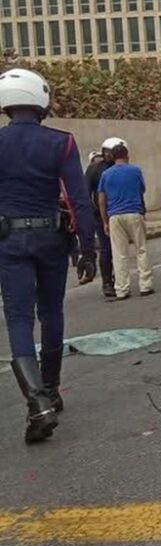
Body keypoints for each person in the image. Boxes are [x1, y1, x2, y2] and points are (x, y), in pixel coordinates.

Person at [0, 66, 96, 443]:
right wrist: (87, 249)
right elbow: (79, 200)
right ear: (40, 99)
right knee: (51, 312)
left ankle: (37, 403)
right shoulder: (62, 143)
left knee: (18, 320)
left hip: (9, 242)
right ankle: (52, 389)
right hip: (52, 239)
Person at [97, 143, 154, 301]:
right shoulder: (135, 170)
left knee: (119, 253)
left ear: (112, 157)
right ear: (127, 155)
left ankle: (121, 289)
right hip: (134, 212)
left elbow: (101, 200)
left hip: (115, 215)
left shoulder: (106, 174)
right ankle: (145, 285)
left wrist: (104, 221)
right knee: (141, 249)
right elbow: (142, 189)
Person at [85, 137, 125, 298]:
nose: (109, 155)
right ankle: (107, 282)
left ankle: (120, 280)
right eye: (106, 152)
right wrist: (93, 209)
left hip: (120, 211)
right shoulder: (95, 169)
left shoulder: (122, 168)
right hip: (101, 215)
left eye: (112, 152)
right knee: (106, 249)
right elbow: (86, 191)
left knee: (120, 249)